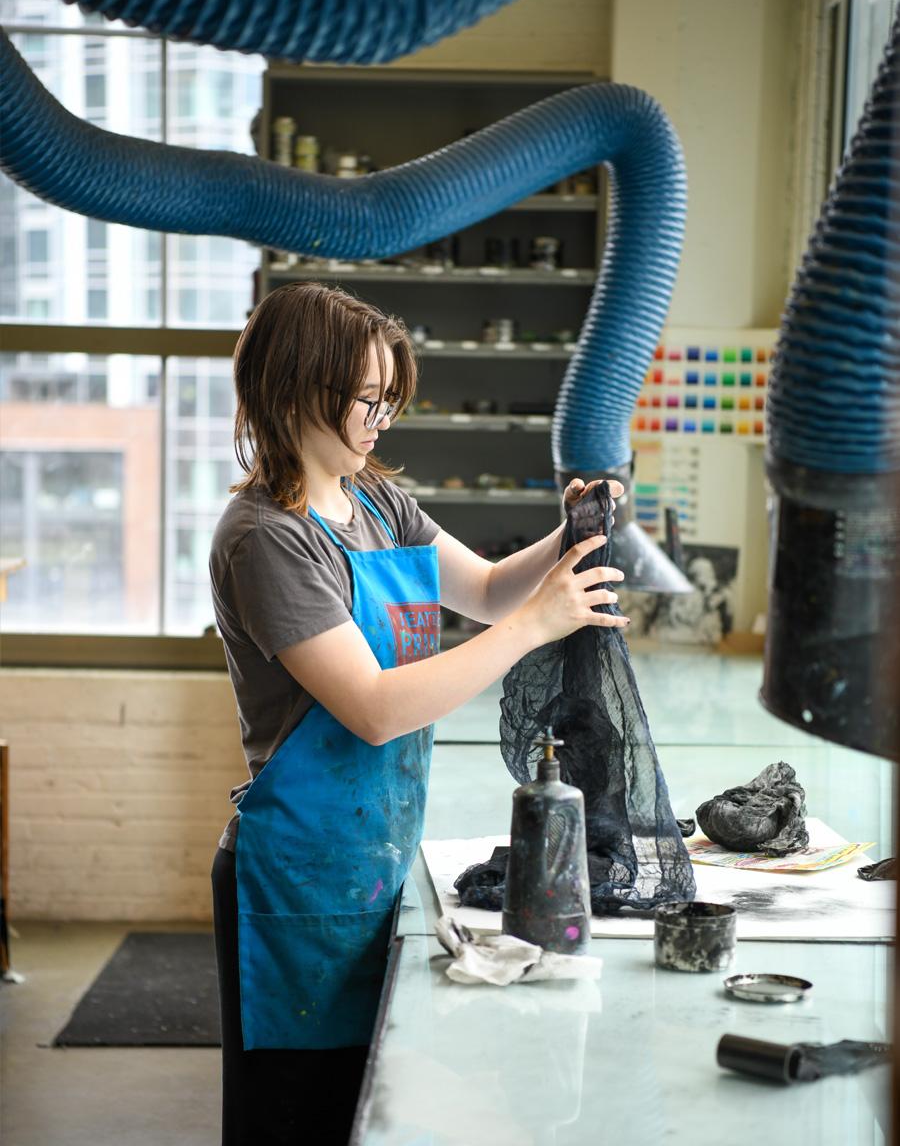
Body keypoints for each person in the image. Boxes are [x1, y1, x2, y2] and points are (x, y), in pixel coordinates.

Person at [208, 281, 628, 1146]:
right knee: (295, 1118)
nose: (379, 418)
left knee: (363, 1110)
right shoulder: (266, 539)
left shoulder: (374, 503)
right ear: (296, 389)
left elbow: (478, 587)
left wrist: (567, 534)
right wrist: (534, 626)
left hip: (373, 860)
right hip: (300, 880)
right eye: (366, 398)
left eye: (388, 400)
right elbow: (371, 709)